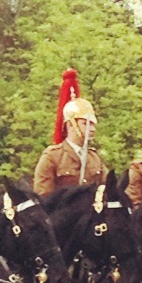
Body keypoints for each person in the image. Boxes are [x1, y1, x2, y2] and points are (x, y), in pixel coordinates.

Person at [32, 68, 107, 196]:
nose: (92, 128)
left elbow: (107, 190)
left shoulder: (94, 159)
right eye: (86, 124)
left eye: (93, 124)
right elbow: (43, 196)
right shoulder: (52, 157)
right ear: (71, 125)